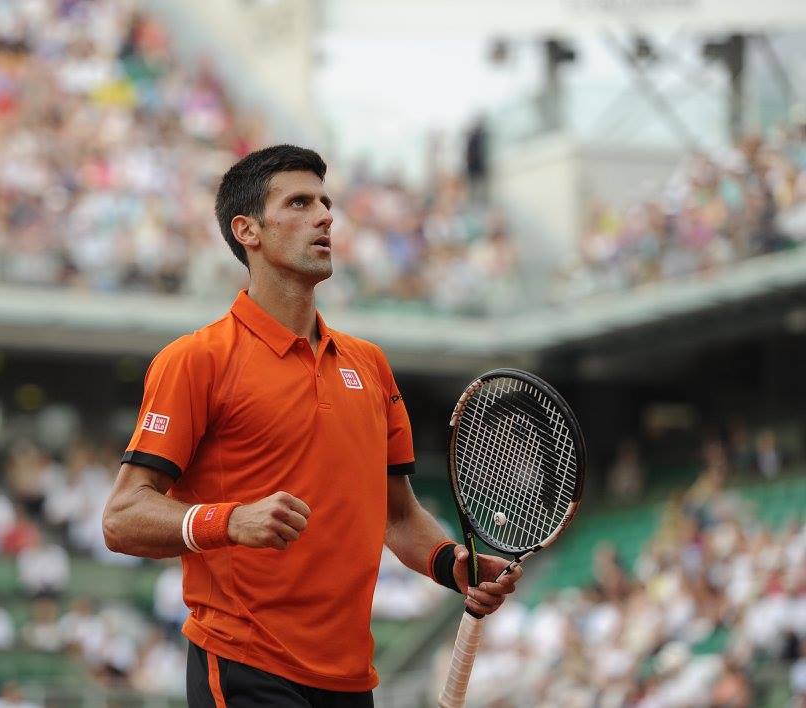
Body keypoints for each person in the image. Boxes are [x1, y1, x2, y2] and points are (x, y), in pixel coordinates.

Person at [102, 145, 521, 707]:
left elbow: (396, 514)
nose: (326, 216)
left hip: (350, 680)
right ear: (247, 230)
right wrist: (230, 521)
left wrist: (453, 564)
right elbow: (122, 518)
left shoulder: (369, 365)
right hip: (244, 663)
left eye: (326, 202)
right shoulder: (196, 359)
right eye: (300, 203)